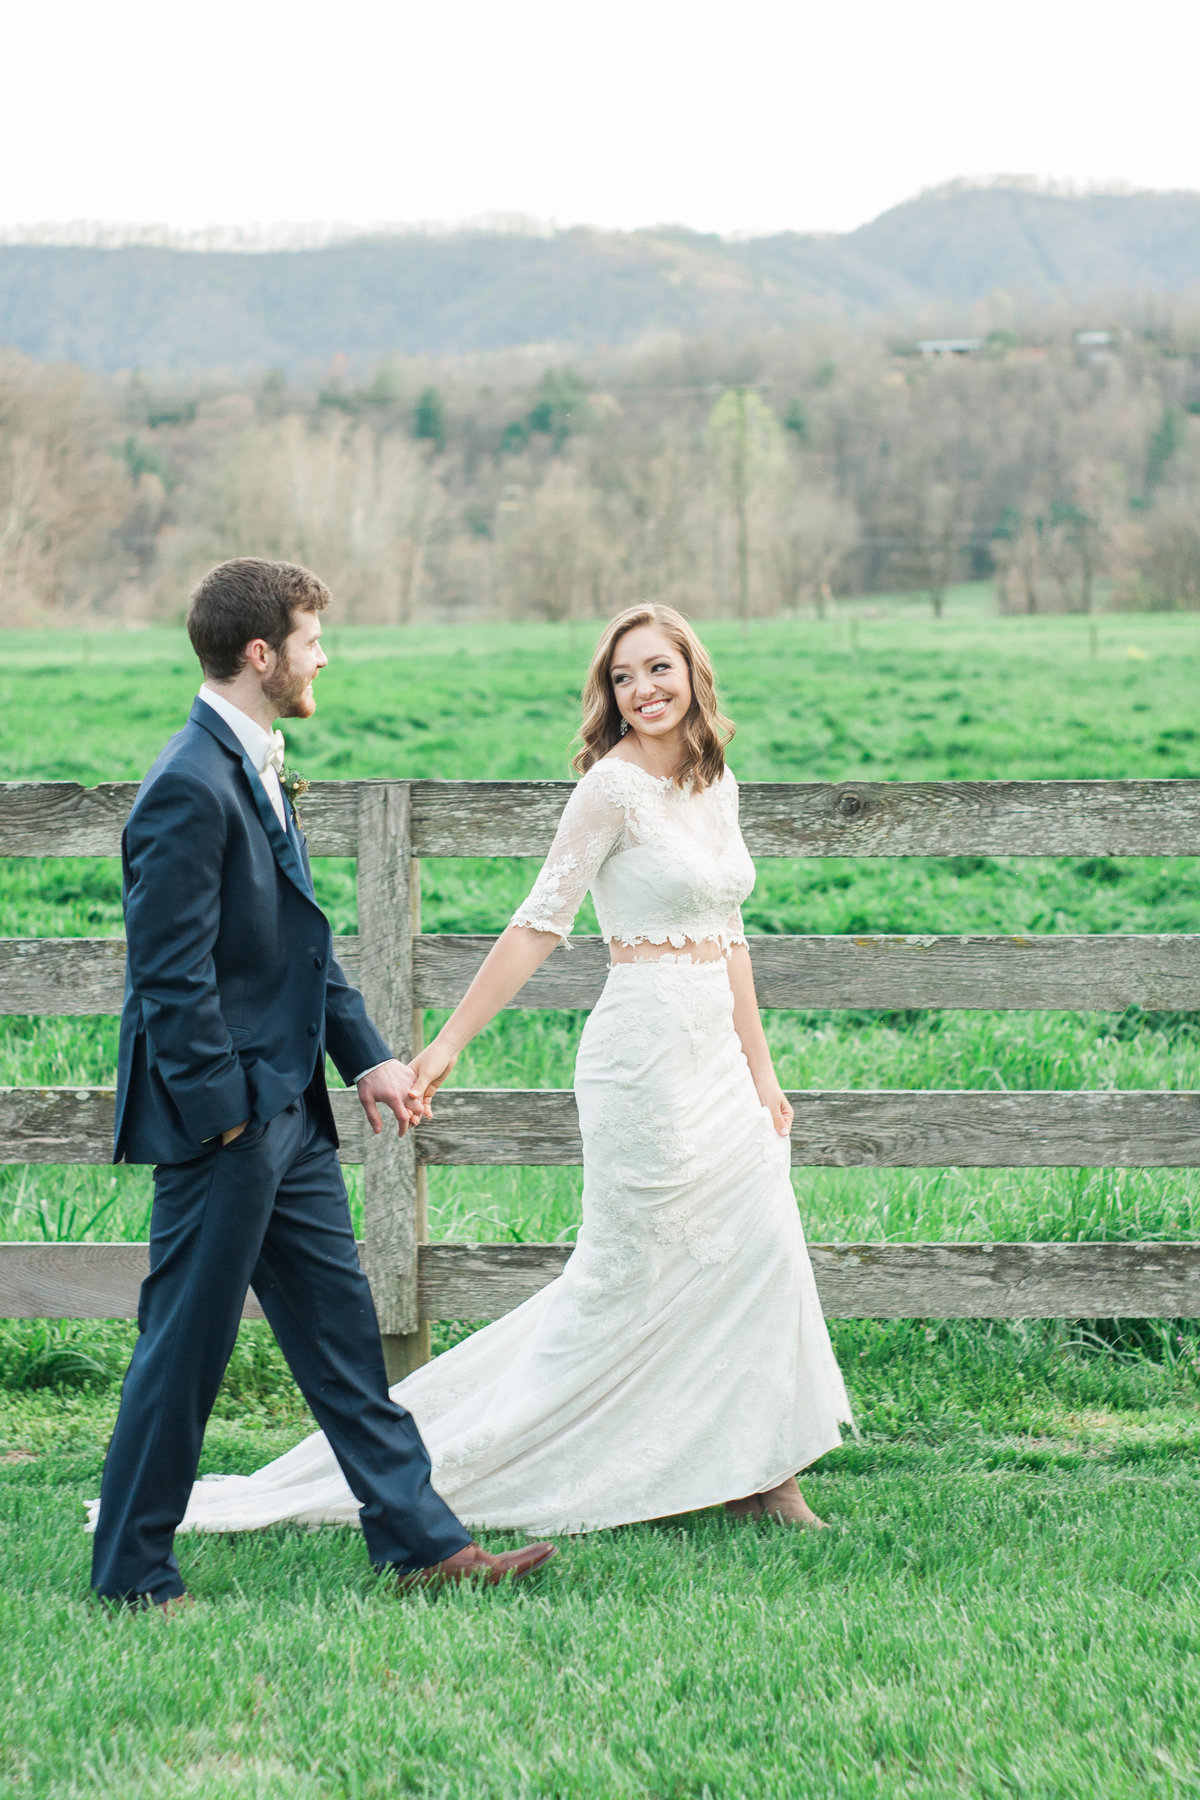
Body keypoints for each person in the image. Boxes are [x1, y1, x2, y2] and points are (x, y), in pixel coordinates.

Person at [170, 603, 852, 1540]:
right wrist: (442, 1048)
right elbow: (540, 923)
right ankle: (471, 1467)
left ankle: (763, 1473)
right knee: (629, 1272)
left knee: (758, 1248)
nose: (643, 691)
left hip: (721, 1062)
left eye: (659, 670)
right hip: (643, 1055)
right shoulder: (608, 793)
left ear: (693, 673)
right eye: (623, 678)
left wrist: (763, 1073)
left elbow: (730, 938)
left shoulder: (714, 780)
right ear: (608, 696)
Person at [88, 557, 556, 1606]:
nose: (322, 656)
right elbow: (170, 979)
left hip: (290, 1113)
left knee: (344, 1342)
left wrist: (370, 1059)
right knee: (184, 1352)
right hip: (234, 1125)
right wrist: (226, 1122)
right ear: (262, 655)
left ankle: (424, 1546)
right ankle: (130, 1573)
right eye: (310, 640)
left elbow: (298, 943)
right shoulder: (187, 784)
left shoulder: (254, 759)